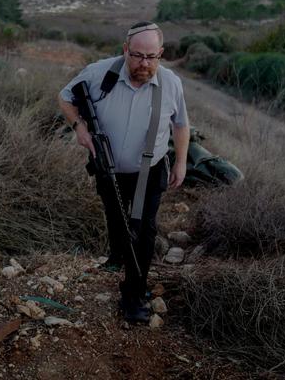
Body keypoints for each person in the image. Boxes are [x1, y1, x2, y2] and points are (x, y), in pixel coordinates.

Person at [58, 21, 189, 322]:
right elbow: (64, 98)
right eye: (138, 55)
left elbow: (180, 124)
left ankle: (133, 296)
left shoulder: (171, 84)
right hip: (108, 169)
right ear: (125, 50)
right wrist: (79, 127)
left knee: (144, 232)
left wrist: (180, 161)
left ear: (161, 54)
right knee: (116, 219)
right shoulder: (97, 73)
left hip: (150, 171)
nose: (144, 63)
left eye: (151, 57)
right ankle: (117, 255)